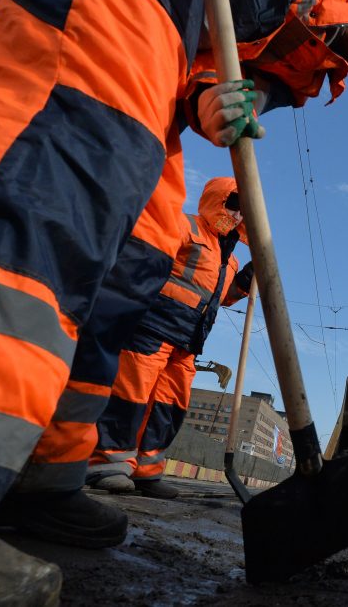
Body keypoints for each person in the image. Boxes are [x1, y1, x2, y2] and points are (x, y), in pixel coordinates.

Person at [0, 0, 348, 589]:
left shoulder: (307, 77)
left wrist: (213, 107)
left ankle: (46, 474)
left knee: (116, 261)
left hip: (166, 36)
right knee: (48, 204)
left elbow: (215, 92)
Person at [86, 178, 250, 499]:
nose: (238, 214)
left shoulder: (229, 259)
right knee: (131, 395)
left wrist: (244, 283)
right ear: (217, 200)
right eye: (233, 204)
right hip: (153, 326)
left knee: (169, 406)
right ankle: (108, 463)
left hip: (188, 341)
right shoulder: (183, 225)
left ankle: (147, 469)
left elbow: (219, 297)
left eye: (244, 209)